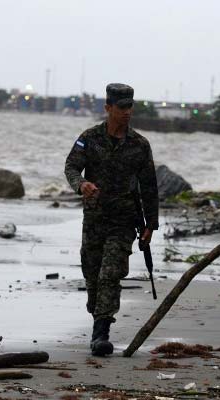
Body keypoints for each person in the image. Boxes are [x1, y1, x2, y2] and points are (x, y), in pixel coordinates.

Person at [64, 83, 159, 356]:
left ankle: (101, 335)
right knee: (92, 276)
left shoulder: (140, 145)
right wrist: (81, 184)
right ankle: (98, 316)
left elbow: (150, 186)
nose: (127, 112)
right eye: (121, 107)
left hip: (124, 220)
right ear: (108, 108)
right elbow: (71, 166)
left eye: (130, 107)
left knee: (110, 274)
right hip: (94, 219)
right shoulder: (89, 137)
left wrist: (150, 225)